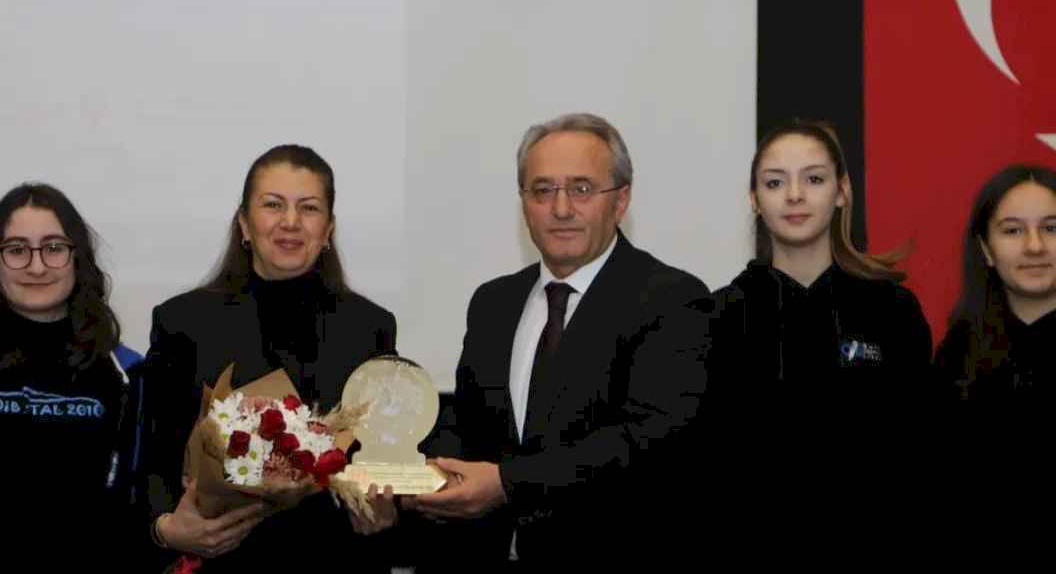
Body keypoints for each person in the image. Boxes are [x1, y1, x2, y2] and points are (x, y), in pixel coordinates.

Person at [405, 113, 713, 563]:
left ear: (621, 200)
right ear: (523, 202)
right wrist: (427, 476)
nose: (561, 208)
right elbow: (471, 424)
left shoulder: (673, 299)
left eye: (582, 189)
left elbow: (645, 442)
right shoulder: (494, 303)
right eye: (542, 190)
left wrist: (507, 484)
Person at [138, 144, 399, 572]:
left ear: (328, 228)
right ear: (244, 223)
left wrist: (386, 508)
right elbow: (154, 460)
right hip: (222, 561)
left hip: (333, 559)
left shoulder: (370, 328)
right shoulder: (182, 322)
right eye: (273, 205)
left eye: (309, 208)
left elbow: (387, 456)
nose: (290, 222)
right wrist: (167, 528)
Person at [706, 120, 934, 516]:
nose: (794, 195)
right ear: (755, 199)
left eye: (813, 179)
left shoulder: (892, 310)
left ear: (842, 191)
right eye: (775, 182)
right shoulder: (719, 316)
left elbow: (920, 447)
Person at [0, 183, 145, 568]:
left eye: (54, 248)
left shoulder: (126, 373)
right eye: (17, 250)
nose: (37, 266)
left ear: (78, 258)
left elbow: (138, 504)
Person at [934, 164, 1056, 479]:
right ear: (986, 249)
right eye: (1013, 230)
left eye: (1051, 228)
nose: (1035, 246)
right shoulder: (957, 354)